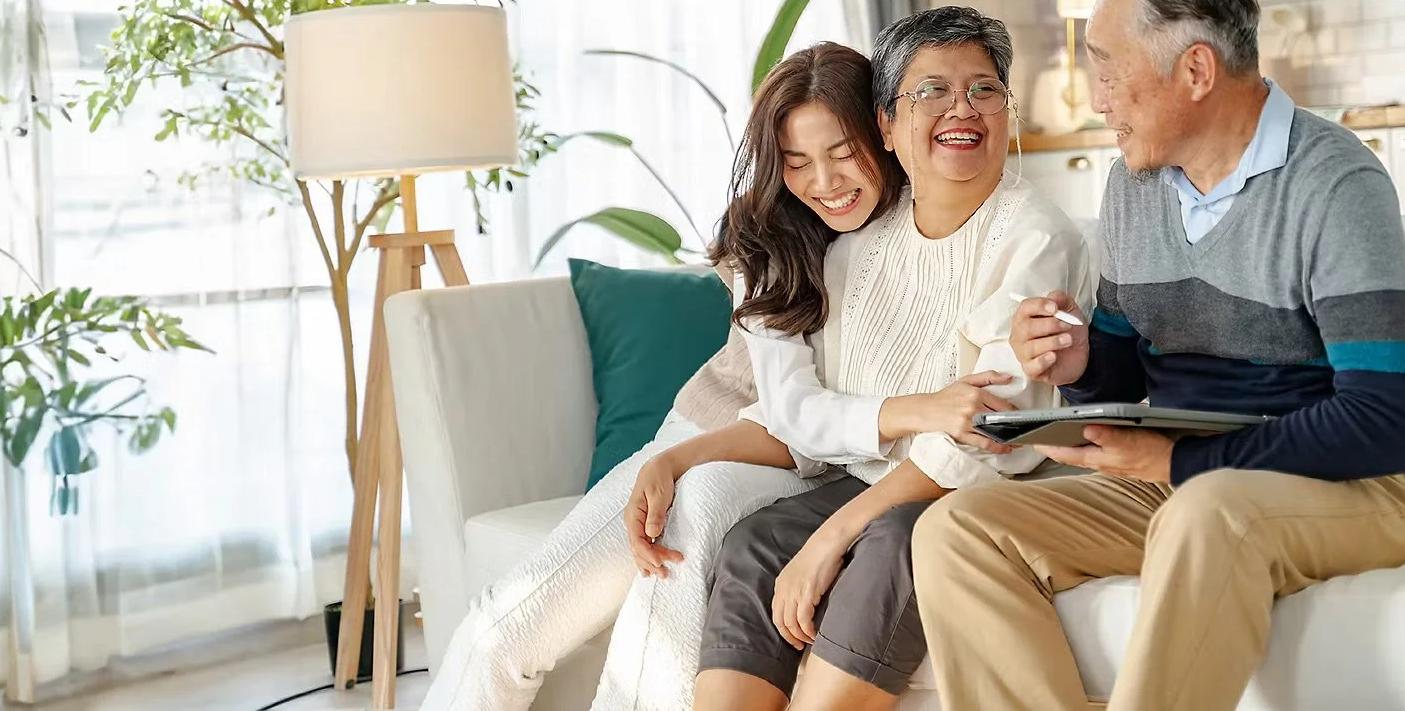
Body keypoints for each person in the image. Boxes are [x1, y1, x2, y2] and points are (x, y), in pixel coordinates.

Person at [912, 0, 1405, 711]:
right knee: (956, 532)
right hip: (1194, 486)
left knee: (1209, 509)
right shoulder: (1133, 186)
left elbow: (1389, 423)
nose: (1097, 100)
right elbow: (1121, 371)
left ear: (1196, 69)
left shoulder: (1334, 184)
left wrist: (1181, 465)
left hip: (1362, 487)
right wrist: (1077, 362)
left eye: (1109, 69)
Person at [421, 41, 1000, 711]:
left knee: (700, 500)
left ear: (883, 131)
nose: (826, 181)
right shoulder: (769, 239)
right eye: (797, 162)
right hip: (724, 433)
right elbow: (789, 412)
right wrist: (675, 457)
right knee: (510, 628)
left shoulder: (929, 225)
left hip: (827, 466)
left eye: (843, 152)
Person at [690, 7, 1090, 711]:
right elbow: (815, 415)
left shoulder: (1036, 237)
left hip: (976, 491)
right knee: (755, 542)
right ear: (887, 124)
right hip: (872, 481)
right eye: (932, 90)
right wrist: (680, 460)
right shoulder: (856, 245)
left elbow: (990, 433)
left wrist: (835, 533)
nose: (962, 109)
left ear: (1006, 110)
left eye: (984, 89)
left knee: (901, 537)